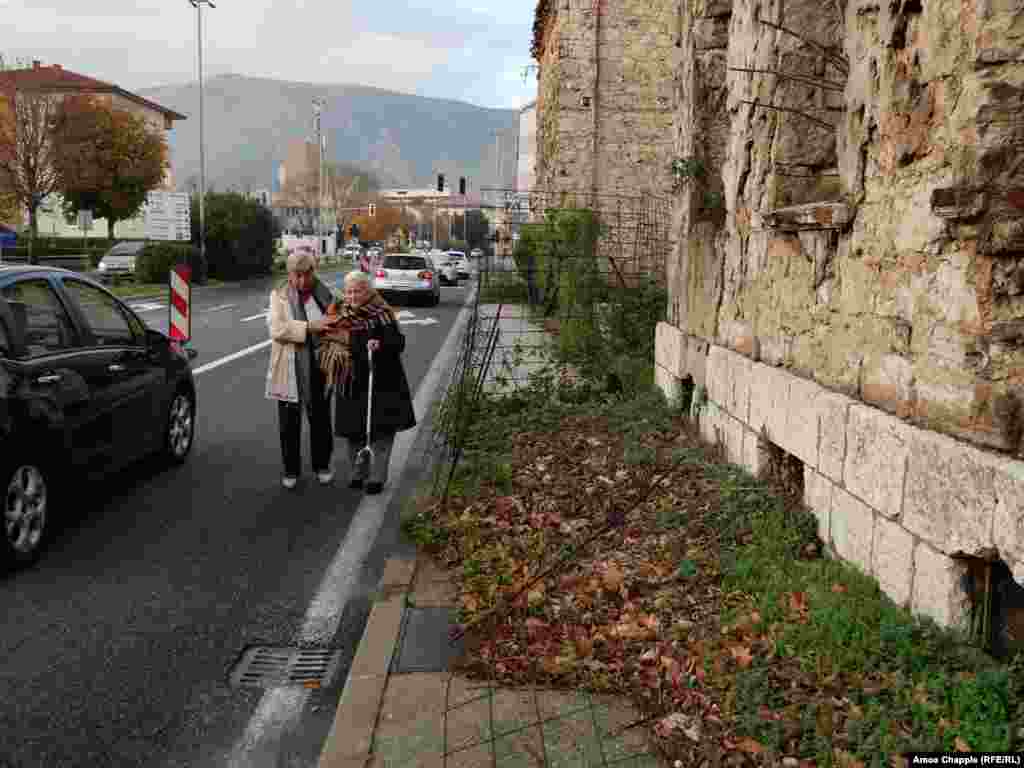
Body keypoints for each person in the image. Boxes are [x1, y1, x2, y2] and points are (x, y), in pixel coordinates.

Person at [319, 271, 416, 494]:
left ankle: (377, 477)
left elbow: (398, 342)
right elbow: (327, 338)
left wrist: (380, 344)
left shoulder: (381, 312)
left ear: (368, 291)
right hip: (350, 380)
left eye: (358, 290)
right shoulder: (339, 312)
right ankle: (358, 472)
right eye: (349, 291)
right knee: (354, 431)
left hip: (380, 380)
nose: (353, 296)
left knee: (380, 431)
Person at [265, 248, 341, 489]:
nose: (300, 280)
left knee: (320, 418)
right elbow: (277, 330)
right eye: (294, 275)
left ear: (312, 272)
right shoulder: (279, 296)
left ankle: (322, 465)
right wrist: (310, 327)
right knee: (289, 420)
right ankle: (291, 469)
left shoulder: (325, 294)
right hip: (289, 367)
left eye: (304, 275)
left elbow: (336, 324)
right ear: (288, 274)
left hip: (318, 365)